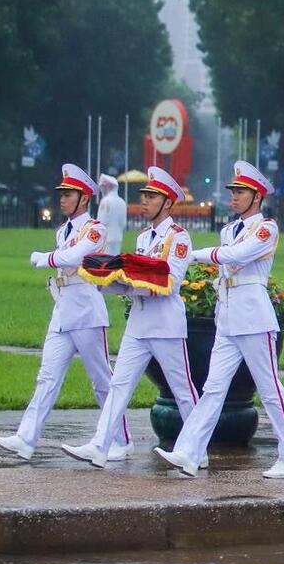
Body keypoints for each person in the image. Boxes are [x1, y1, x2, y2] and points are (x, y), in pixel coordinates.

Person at [154, 160, 284, 477]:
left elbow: (236, 257)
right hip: (229, 314)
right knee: (212, 388)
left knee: (270, 389)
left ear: (257, 196)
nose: (233, 196)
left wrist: (197, 254)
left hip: (253, 315)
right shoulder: (228, 230)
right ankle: (189, 453)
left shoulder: (266, 227)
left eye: (241, 191)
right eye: (233, 191)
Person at [62, 166, 200, 468]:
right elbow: (134, 282)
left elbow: (171, 283)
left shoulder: (178, 238)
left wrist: (130, 282)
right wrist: (108, 281)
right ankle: (100, 445)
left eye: (152, 197)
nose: (145, 202)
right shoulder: (143, 238)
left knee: (183, 392)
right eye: (145, 196)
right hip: (139, 324)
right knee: (119, 385)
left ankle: (197, 450)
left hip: (165, 325)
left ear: (167, 203)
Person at [0, 163, 114, 461]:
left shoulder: (95, 229)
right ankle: (26, 438)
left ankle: (120, 438)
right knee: (47, 376)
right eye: (61, 193)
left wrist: (42, 258)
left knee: (102, 382)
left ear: (85, 198)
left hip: (85, 309)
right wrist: (54, 260)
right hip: (63, 308)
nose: (62, 198)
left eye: (69, 193)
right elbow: (66, 257)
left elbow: (74, 256)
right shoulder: (64, 231)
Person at [96, 172, 126, 255]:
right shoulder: (122, 202)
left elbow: (101, 222)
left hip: (106, 239)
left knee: (106, 264)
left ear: (108, 187)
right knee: (115, 264)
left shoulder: (105, 201)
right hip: (118, 237)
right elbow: (123, 223)